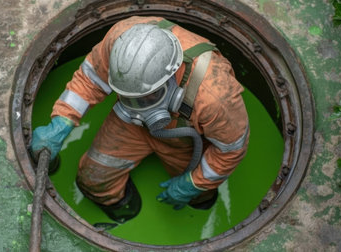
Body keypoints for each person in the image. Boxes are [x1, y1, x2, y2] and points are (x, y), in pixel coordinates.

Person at [31, 16, 249, 223]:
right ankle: (125, 209)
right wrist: (62, 121)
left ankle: (200, 203)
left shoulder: (215, 95)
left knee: (198, 196)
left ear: (171, 78)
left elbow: (230, 150)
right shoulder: (121, 42)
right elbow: (91, 80)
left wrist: (193, 184)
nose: (138, 104)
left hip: (185, 137)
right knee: (92, 180)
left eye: (147, 97)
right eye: (129, 96)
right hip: (129, 122)